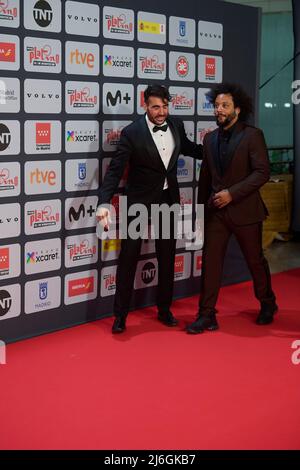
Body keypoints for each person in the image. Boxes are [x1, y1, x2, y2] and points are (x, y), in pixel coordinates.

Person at [97, 84, 203, 333]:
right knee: (128, 257)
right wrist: (103, 202)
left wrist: (217, 150)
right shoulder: (132, 132)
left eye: (165, 106)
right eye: (156, 106)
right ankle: (120, 315)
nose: (162, 111)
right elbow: (114, 171)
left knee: (166, 257)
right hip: (138, 202)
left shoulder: (176, 124)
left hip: (167, 199)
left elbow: (188, 147)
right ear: (145, 105)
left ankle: (164, 310)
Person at [186, 83, 278, 334]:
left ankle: (268, 303)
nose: (219, 110)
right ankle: (206, 315)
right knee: (210, 263)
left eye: (225, 105)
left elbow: (262, 172)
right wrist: (200, 213)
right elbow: (205, 178)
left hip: (246, 211)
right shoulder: (210, 138)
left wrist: (232, 194)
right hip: (216, 213)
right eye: (216, 105)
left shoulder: (252, 135)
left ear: (238, 108)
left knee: (254, 261)